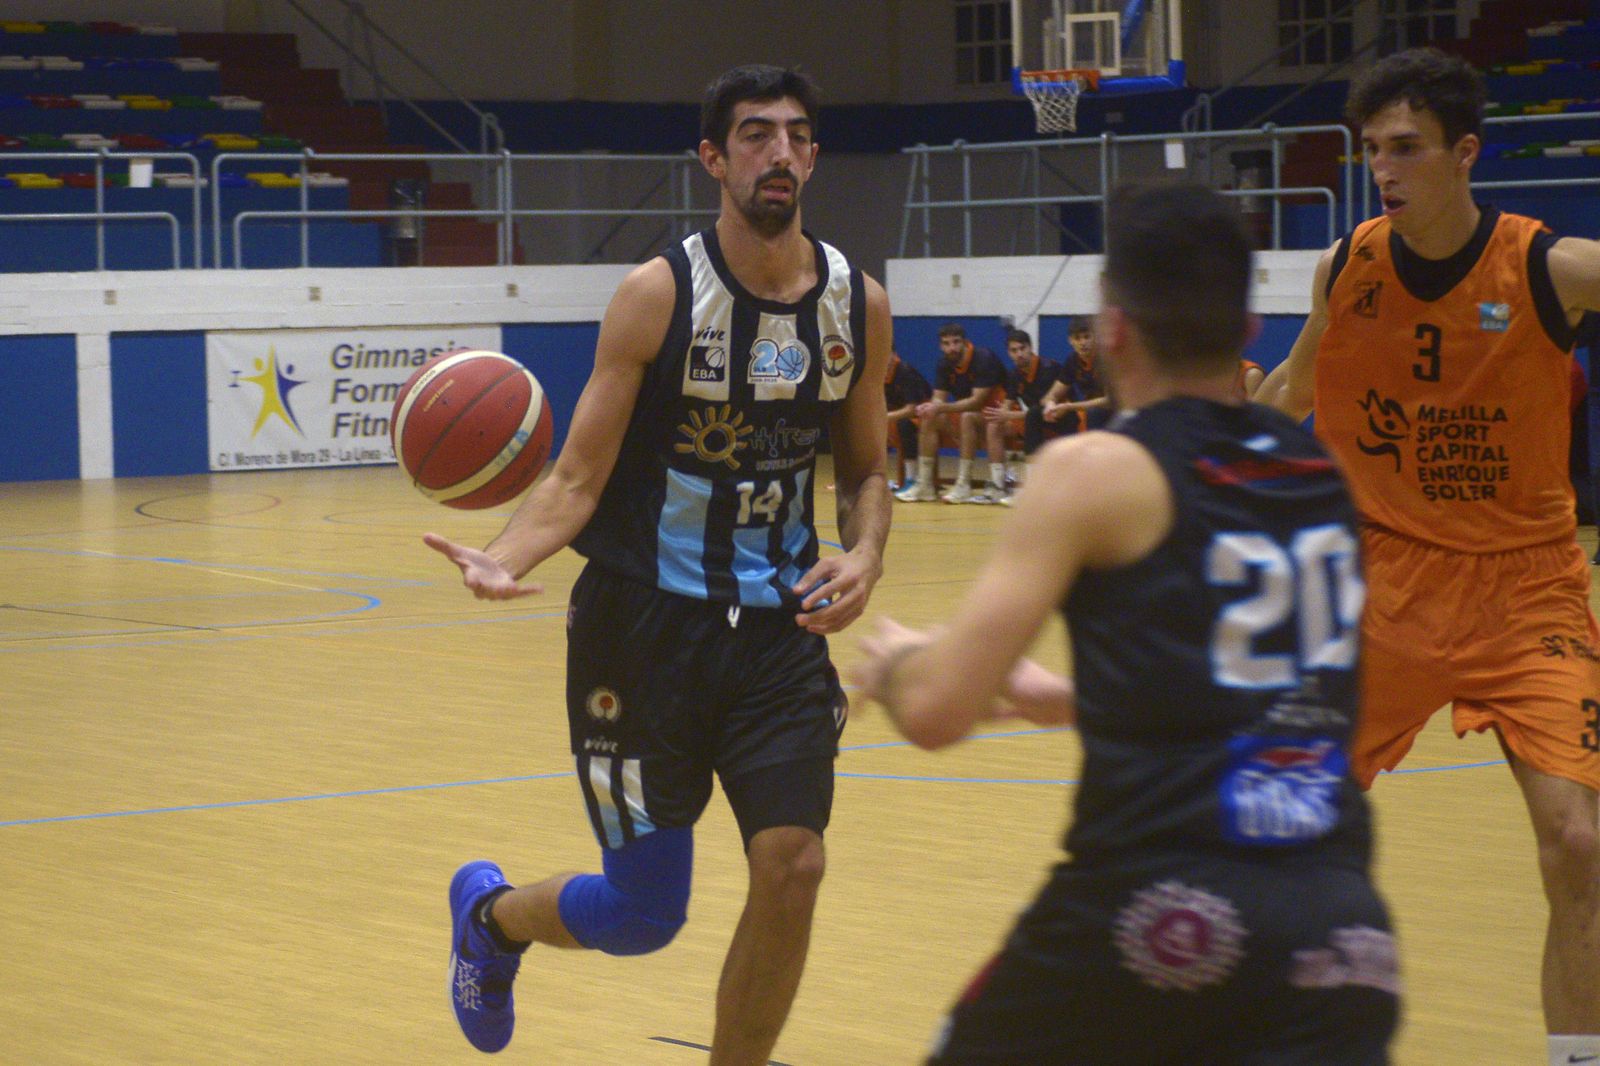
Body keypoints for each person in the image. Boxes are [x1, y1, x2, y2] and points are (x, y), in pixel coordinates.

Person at [855, 181, 1398, 1063]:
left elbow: (937, 712)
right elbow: (1278, 691)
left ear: (1112, 330)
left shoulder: (1093, 470)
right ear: (1247, 330)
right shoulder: (1318, 476)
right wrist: (1072, 699)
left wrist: (901, 665)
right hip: (1341, 935)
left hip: (1162, 911)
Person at [425, 64, 893, 1064]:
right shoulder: (654, 296)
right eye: (755, 134)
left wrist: (864, 553)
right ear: (713, 159)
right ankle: (494, 921)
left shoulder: (858, 305)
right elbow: (576, 477)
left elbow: (866, 473)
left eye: (796, 134)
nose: (779, 151)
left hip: (777, 632)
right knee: (643, 915)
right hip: (640, 633)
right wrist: (502, 555)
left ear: (813, 156)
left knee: (793, 865)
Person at [1255, 47, 1600, 1062]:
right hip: (1381, 581)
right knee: (1278, 824)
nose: (1384, 170)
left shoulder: (1549, 267)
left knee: (1578, 842)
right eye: (1371, 152)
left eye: (1405, 149)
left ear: (1465, 154)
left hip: (1525, 586)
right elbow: (1288, 386)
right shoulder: (1347, 264)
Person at [895, 322, 1009, 503]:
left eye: (956, 342)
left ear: (965, 342)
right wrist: (930, 407)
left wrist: (940, 407)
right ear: (941, 346)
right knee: (929, 417)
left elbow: (976, 401)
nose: (952, 348)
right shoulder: (944, 363)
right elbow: (938, 397)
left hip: (999, 413)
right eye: (946, 344)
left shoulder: (983, 358)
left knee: (966, 417)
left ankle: (964, 483)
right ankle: (925, 485)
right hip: (970, 416)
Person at [982, 328, 1062, 486]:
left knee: (1032, 419)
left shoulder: (1048, 368)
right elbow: (1007, 405)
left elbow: (1042, 409)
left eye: (1022, 348)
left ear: (1030, 348)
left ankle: (1032, 484)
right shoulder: (1014, 374)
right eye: (1014, 350)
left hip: (1059, 416)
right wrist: (1000, 414)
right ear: (1009, 353)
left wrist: (1009, 416)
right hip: (1032, 418)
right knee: (993, 425)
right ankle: (998, 484)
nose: (1019, 354)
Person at [1040, 316, 1110, 432]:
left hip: (1118, 409)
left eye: (1087, 337)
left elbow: (1109, 401)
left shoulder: (1107, 358)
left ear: (1095, 337)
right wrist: (1050, 405)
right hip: (1089, 409)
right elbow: (1051, 395)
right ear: (1070, 341)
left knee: (1093, 413)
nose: (1083, 343)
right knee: (1037, 413)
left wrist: (1069, 406)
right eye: (1077, 338)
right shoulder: (1072, 361)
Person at [885, 345, 933, 492]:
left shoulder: (905, 372)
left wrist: (883, 418)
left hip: (924, 414)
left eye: (887, 354)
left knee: (905, 425)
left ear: (894, 354)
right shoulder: (876, 374)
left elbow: (912, 409)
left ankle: (911, 479)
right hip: (897, 414)